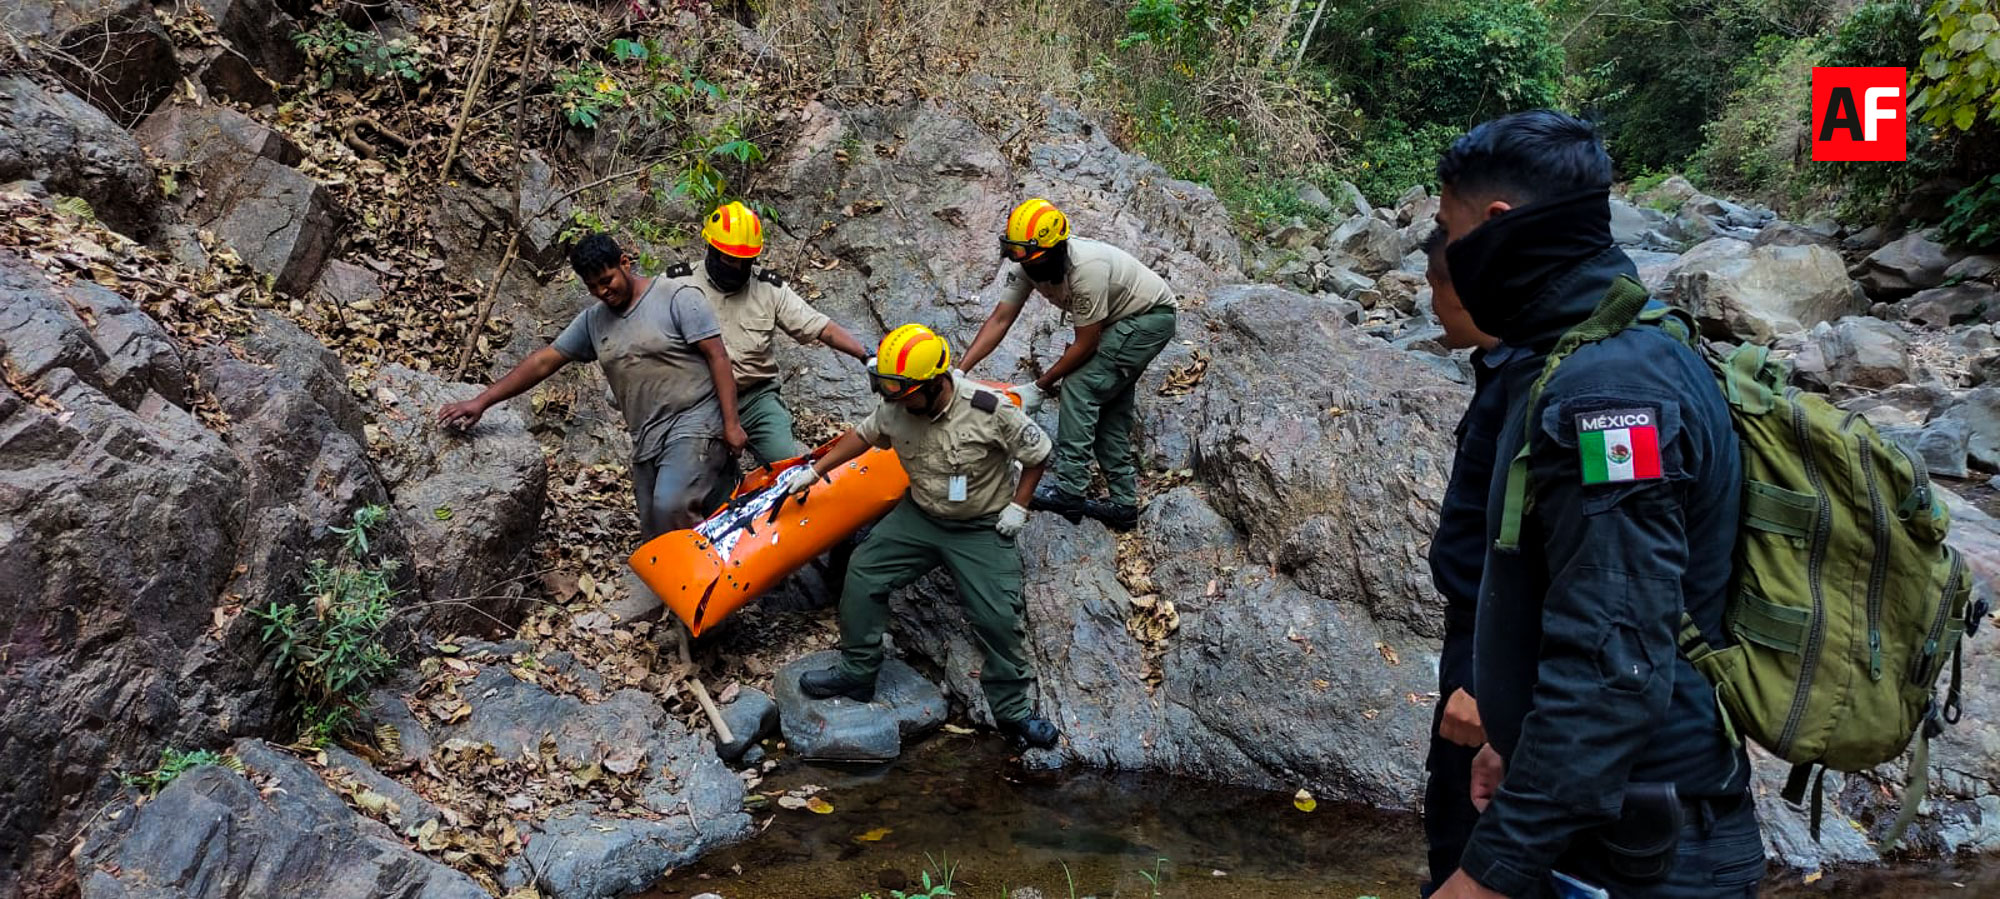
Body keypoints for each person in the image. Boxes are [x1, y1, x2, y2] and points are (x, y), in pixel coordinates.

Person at [1428, 110, 1759, 899]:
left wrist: (1489, 872)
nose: (1445, 254)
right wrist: (1513, 737)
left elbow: (1616, 661)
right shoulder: (1604, 349)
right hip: (1608, 827)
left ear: (1497, 226)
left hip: (1641, 855)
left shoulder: (1610, 395)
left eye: (1450, 229)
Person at [776, 323, 1061, 749]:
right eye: (887, 390)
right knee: (864, 572)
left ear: (934, 383)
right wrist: (815, 472)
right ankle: (857, 672)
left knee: (998, 619)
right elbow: (863, 436)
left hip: (981, 526)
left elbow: (1038, 454)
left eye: (902, 392)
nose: (893, 401)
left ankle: (1014, 714)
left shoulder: (988, 409)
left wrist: (1018, 507)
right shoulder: (897, 405)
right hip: (921, 515)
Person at [438, 232, 747, 538]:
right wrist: (482, 401)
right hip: (647, 436)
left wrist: (731, 423)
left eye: (607, 280)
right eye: (592, 286)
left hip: (696, 420)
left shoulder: (676, 297)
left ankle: (709, 580)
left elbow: (717, 357)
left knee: (671, 505)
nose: (602, 291)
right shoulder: (593, 321)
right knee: (655, 529)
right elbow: (544, 361)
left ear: (624, 263)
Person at [956, 198, 1177, 532]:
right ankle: (1123, 504)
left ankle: (1070, 490)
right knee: (1109, 403)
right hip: (1120, 323)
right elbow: (1000, 320)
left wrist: (1039, 385)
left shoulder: (1087, 268)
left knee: (1081, 385)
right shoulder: (1025, 266)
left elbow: (1086, 343)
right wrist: (960, 371)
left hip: (1149, 319)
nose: (1025, 264)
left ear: (1054, 249)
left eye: (1031, 257)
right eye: (1017, 255)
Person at [1419, 226, 1510, 897]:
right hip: (1475, 645)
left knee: (1468, 846)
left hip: (1490, 663)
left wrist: (1486, 686)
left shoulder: (1532, 385)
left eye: (1434, 284)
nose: (1429, 301)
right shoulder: (1502, 374)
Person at [684, 201, 872, 466]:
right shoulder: (679, 284)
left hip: (755, 397)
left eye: (744, 261)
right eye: (729, 259)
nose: (737, 268)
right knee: (700, 479)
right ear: (711, 250)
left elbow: (820, 327)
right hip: (699, 400)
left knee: (788, 465)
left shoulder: (768, 287)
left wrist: (867, 356)